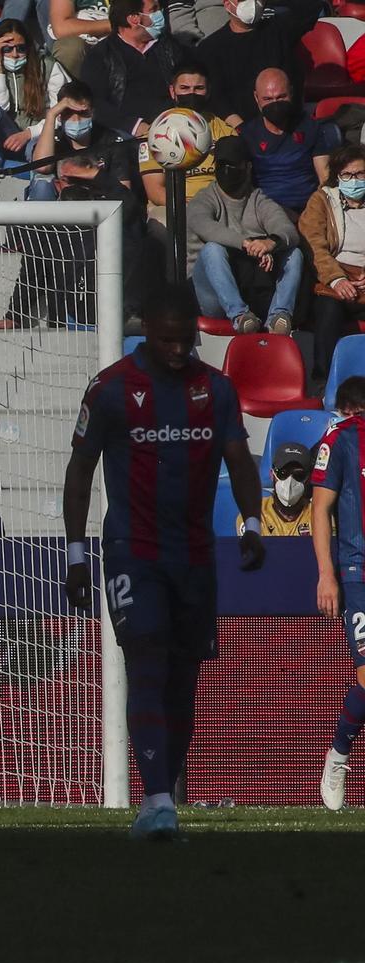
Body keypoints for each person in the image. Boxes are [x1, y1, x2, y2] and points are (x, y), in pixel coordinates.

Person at [64, 289, 264, 840]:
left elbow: (239, 460)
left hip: (196, 554)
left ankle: (161, 794)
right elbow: (80, 471)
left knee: (183, 679)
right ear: (145, 328)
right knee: (147, 658)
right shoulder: (109, 389)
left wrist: (251, 523)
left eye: (186, 339)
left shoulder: (215, 388)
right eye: (166, 338)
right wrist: (77, 554)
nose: (178, 349)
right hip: (133, 549)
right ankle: (156, 800)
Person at [188, 134, 300, 335]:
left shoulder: (259, 199)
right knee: (213, 249)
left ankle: (279, 317)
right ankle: (239, 316)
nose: (226, 171)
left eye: (232, 165)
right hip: (211, 294)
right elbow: (204, 225)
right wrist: (248, 244)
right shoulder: (204, 198)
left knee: (295, 253)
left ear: (247, 167)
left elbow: (286, 229)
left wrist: (271, 243)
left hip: (252, 286)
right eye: (220, 165)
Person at [314, 378, 365, 809]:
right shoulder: (341, 439)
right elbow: (320, 507)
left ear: (345, 406)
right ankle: (337, 756)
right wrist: (326, 574)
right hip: (359, 572)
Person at [299, 144, 365, 386]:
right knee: (328, 310)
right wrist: (337, 279)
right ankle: (323, 382)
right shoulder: (321, 201)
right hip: (336, 277)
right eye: (347, 175)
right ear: (338, 176)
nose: (354, 180)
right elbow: (314, 244)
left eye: (360, 174)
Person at [77, 0, 189, 141]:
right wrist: (134, 126)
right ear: (134, 18)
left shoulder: (172, 48)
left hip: (174, 129)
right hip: (123, 138)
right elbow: (94, 103)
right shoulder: (100, 56)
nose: (160, 13)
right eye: (154, 9)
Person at [196, 0, 315, 130]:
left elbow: (312, 7)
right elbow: (218, 99)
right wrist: (244, 130)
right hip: (241, 130)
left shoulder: (280, 29)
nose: (251, 2)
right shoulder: (211, 48)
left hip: (288, 124)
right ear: (227, 4)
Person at [138, 63, 236, 212]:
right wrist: (187, 207)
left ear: (208, 91)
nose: (192, 94)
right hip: (171, 206)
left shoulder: (226, 132)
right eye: (184, 88)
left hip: (218, 206)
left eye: (199, 88)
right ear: (172, 91)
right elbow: (155, 190)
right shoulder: (155, 133)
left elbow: (236, 184)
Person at [245, 67, 335, 216]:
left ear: (291, 92)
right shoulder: (248, 135)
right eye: (267, 99)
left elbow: (324, 178)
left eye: (281, 97)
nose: (275, 103)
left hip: (308, 211)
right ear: (256, 97)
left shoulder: (311, 127)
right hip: (266, 214)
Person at [0, 19, 49, 174]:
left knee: (40, 153)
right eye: (7, 49)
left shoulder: (47, 66)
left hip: (36, 140)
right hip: (5, 140)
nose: (15, 54)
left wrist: (28, 133)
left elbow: (60, 115)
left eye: (20, 48)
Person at [261, 441, 312, 537]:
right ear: (272, 475)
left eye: (298, 475)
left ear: (308, 478)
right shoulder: (256, 514)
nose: (290, 481)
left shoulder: (318, 515)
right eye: (283, 473)